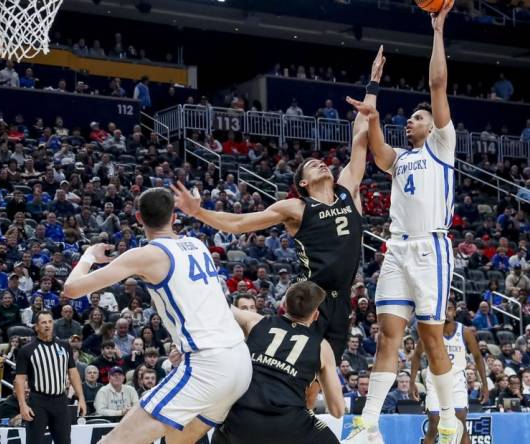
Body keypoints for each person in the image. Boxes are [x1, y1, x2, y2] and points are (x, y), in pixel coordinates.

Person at [172, 52, 380, 369]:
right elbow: (241, 222)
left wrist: (373, 84)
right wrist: (198, 212)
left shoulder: (347, 188)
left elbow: (360, 137)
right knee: (300, 372)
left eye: (320, 161)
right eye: (311, 165)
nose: (321, 162)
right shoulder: (295, 207)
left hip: (343, 300)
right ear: (303, 183)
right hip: (313, 301)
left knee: (328, 371)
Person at [344, 3, 460, 442]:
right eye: (409, 117)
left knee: (432, 341)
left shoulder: (442, 146)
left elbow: (437, 83)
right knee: (387, 336)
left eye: (417, 117)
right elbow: (377, 153)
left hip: (431, 249)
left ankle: (448, 419)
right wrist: (372, 112)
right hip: (397, 248)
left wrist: (437, 30)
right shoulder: (403, 159)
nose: (410, 120)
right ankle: (367, 424)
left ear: (432, 127)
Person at [61, 187, 252, 444]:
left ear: (138, 218)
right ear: (174, 217)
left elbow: (72, 289)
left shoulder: (148, 254)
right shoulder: (197, 244)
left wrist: (88, 256)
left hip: (208, 364)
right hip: (240, 361)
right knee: (177, 441)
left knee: (114, 441)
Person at [212, 281, 343, 444]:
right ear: (316, 315)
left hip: (242, 420)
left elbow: (218, 304)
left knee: (222, 430)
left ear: (284, 305)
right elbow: (337, 410)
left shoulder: (256, 322)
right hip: (288, 424)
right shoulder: (322, 347)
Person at [410, 299, 488, 444]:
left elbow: (478, 357)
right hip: (434, 380)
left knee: (460, 423)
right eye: (444, 309)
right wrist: (412, 382)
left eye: (450, 308)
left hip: (456, 380)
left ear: (455, 311)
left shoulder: (464, 332)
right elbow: (416, 355)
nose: (446, 312)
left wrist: (484, 384)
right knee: (434, 422)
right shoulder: (431, 332)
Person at [14, 311, 87, 444]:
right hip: (38, 401)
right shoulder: (27, 350)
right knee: (34, 441)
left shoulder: (64, 346)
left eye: (50, 322)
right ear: (36, 327)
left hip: (60, 400)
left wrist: (81, 398)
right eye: (43, 322)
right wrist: (22, 405)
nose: (47, 325)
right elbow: (19, 380)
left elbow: (73, 373)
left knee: (64, 441)